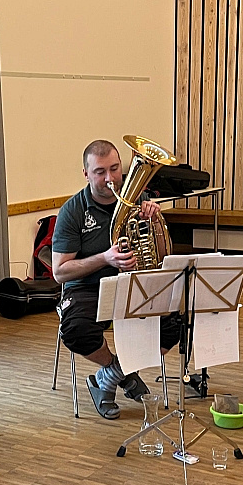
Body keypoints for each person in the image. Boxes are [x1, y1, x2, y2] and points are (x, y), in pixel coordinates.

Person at [51, 138, 183, 420]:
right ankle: (120, 371)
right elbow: (60, 271)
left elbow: (162, 258)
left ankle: (109, 377)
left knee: (176, 323)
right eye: (100, 172)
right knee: (76, 329)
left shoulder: (139, 201)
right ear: (86, 174)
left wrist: (155, 224)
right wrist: (104, 258)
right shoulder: (73, 211)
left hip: (133, 284)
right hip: (89, 288)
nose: (110, 178)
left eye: (114, 169)